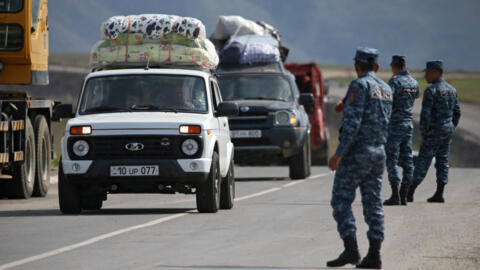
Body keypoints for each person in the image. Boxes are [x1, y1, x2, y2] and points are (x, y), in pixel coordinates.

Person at [327, 47, 392, 269]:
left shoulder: (359, 85)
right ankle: (374, 255)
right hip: (378, 152)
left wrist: (339, 154)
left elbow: (353, 124)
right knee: (373, 202)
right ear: (377, 67)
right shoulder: (386, 89)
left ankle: (351, 250)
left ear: (356, 66)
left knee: (341, 200)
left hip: (358, 153)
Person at [407, 60, 461, 203]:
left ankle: (410, 191)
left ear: (436, 73)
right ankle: (439, 193)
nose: (425, 75)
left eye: (428, 72)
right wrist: (450, 126)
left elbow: (425, 115)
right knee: (442, 160)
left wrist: (424, 132)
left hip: (434, 131)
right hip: (447, 130)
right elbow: (457, 112)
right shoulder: (452, 90)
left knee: (423, 161)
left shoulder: (432, 91)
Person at [383, 55, 420, 206]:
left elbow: (387, 100)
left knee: (391, 158)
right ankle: (404, 195)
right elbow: (415, 96)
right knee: (407, 160)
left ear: (394, 66)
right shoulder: (414, 82)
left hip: (395, 124)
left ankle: (395, 195)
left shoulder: (395, 81)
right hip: (408, 124)